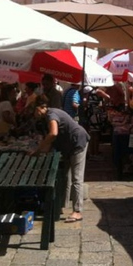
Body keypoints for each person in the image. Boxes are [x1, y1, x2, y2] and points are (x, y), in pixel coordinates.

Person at [31, 94, 90, 223]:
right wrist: (38, 153)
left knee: (76, 178)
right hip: (68, 147)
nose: (34, 116)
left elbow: (53, 134)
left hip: (77, 143)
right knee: (65, 177)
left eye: (34, 112)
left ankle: (78, 211)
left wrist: (38, 149)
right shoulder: (47, 117)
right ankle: (62, 206)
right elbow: (50, 143)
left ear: (38, 109)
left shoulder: (51, 115)